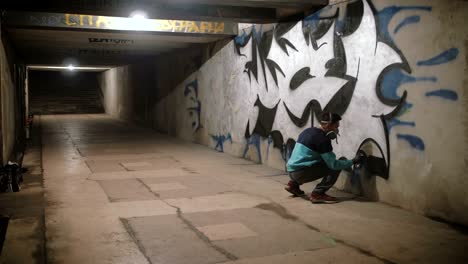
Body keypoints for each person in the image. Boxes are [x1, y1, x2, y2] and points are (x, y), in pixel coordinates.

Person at [284, 112, 362, 204]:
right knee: (336, 165)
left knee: (317, 159)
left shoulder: (308, 131)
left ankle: (293, 185)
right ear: (328, 125)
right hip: (300, 173)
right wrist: (352, 161)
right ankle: (318, 194)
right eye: (336, 126)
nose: (337, 130)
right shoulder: (322, 139)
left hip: (291, 171)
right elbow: (333, 165)